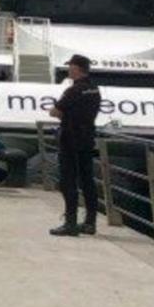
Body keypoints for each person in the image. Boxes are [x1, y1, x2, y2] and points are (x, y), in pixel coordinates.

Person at [49, 55, 102, 237]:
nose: (68, 70)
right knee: (87, 181)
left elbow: (55, 111)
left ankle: (70, 222)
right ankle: (90, 222)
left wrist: (63, 115)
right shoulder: (94, 89)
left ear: (77, 68)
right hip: (87, 138)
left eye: (70, 66)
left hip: (70, 139)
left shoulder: (73, 90)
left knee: (68, 181)